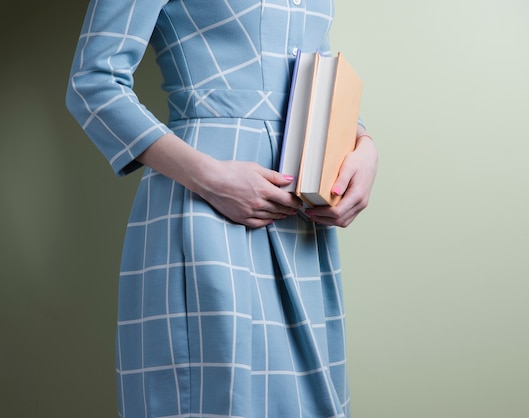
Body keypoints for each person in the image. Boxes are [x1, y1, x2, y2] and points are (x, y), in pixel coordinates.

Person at [66, 0, 377, 417]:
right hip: (207, 208)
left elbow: (313, 76)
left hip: (302, 219)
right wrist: (211, 179)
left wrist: (363, 145)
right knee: (214, 398)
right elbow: (94, 82)